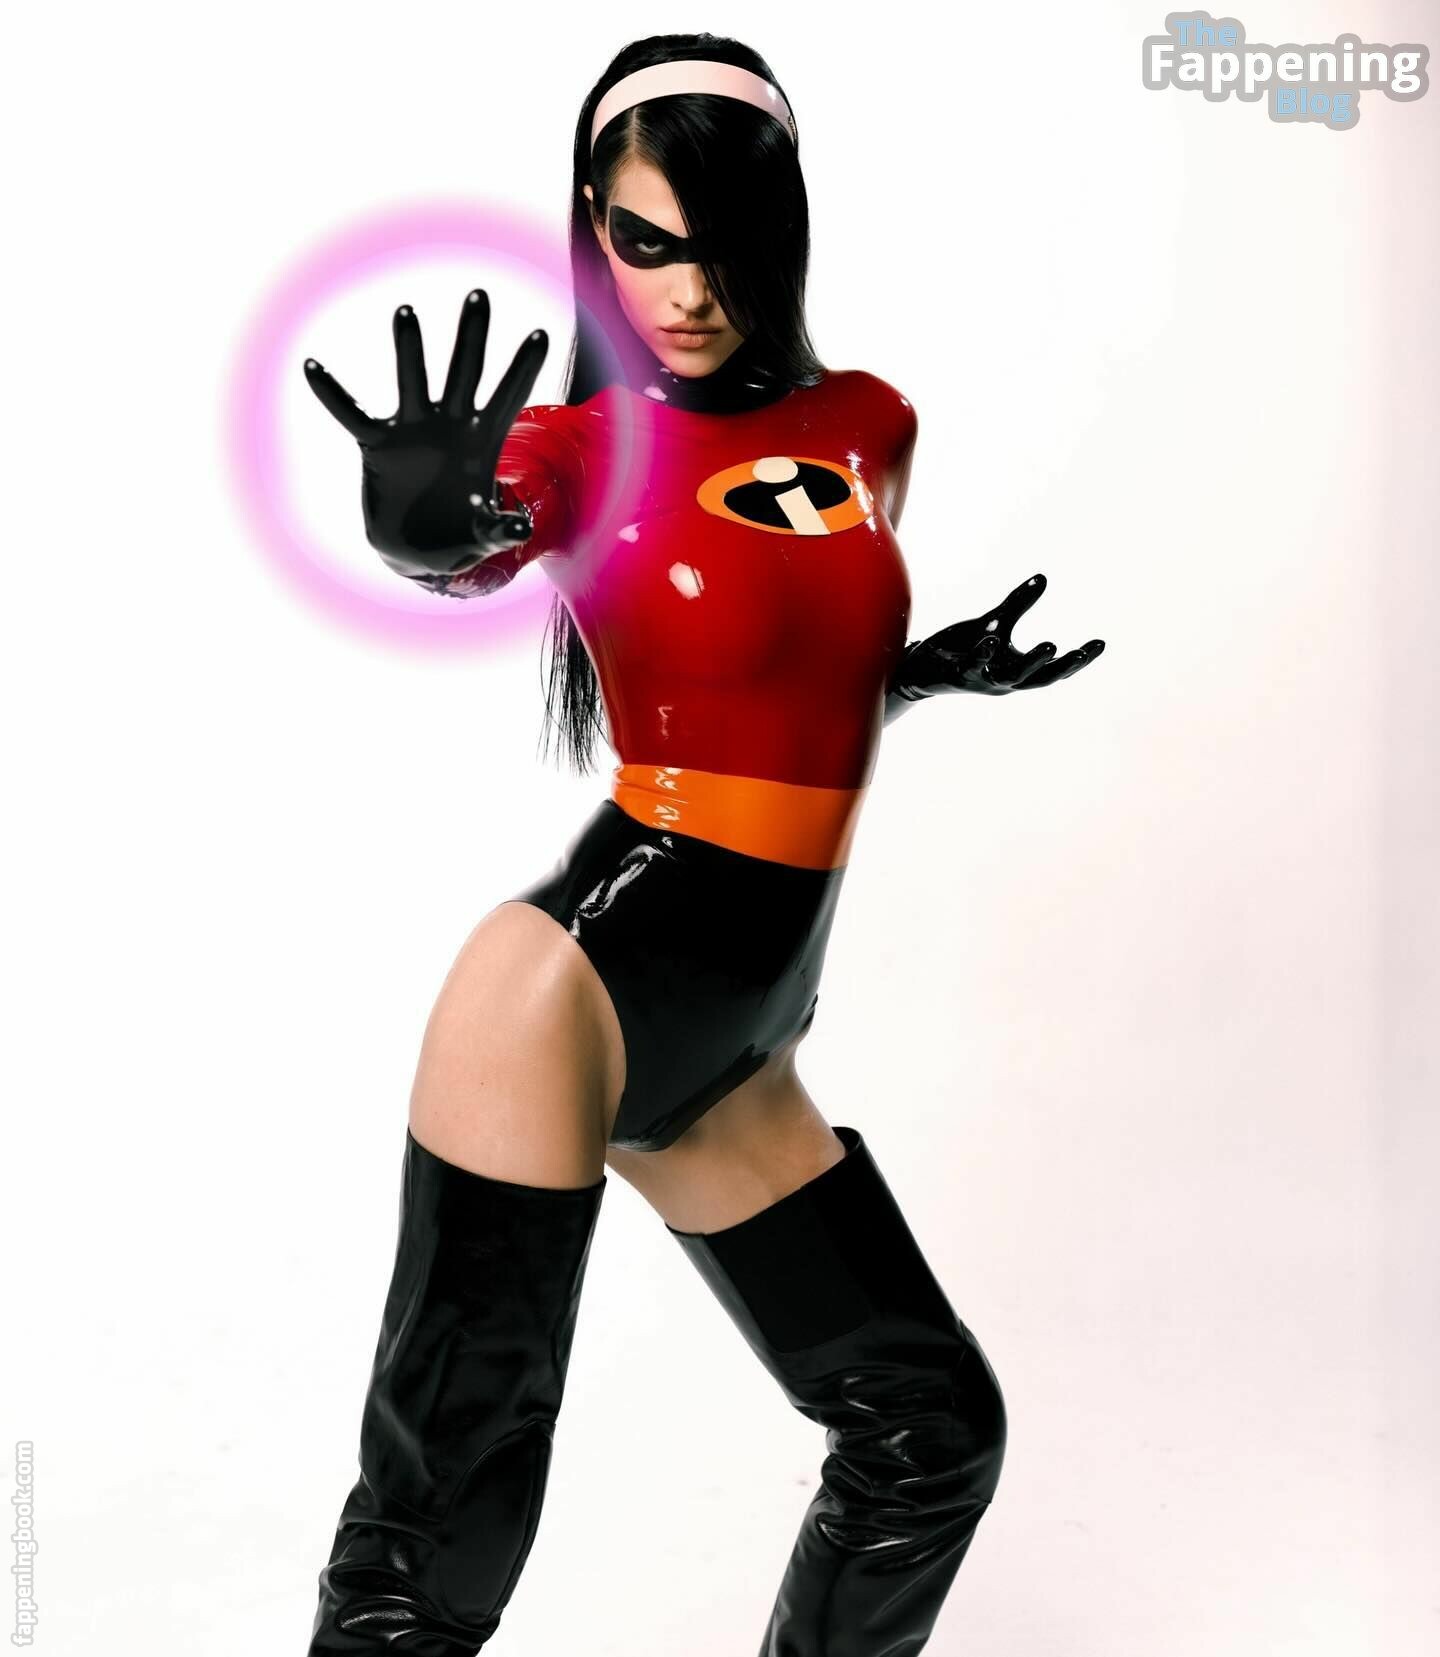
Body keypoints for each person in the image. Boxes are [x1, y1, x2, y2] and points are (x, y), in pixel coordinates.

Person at [300, 32, 1104, 1656]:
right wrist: (418, 516)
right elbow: (466, 542)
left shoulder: (869, 423)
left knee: (929, 1437)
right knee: (436, 1543)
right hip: (573, 995)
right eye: (641, 239)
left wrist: (913, 673)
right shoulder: (573, 449)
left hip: (741, 1044)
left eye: (717, 240)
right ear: (590, 228)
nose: (681, 285)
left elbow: (778, 659)